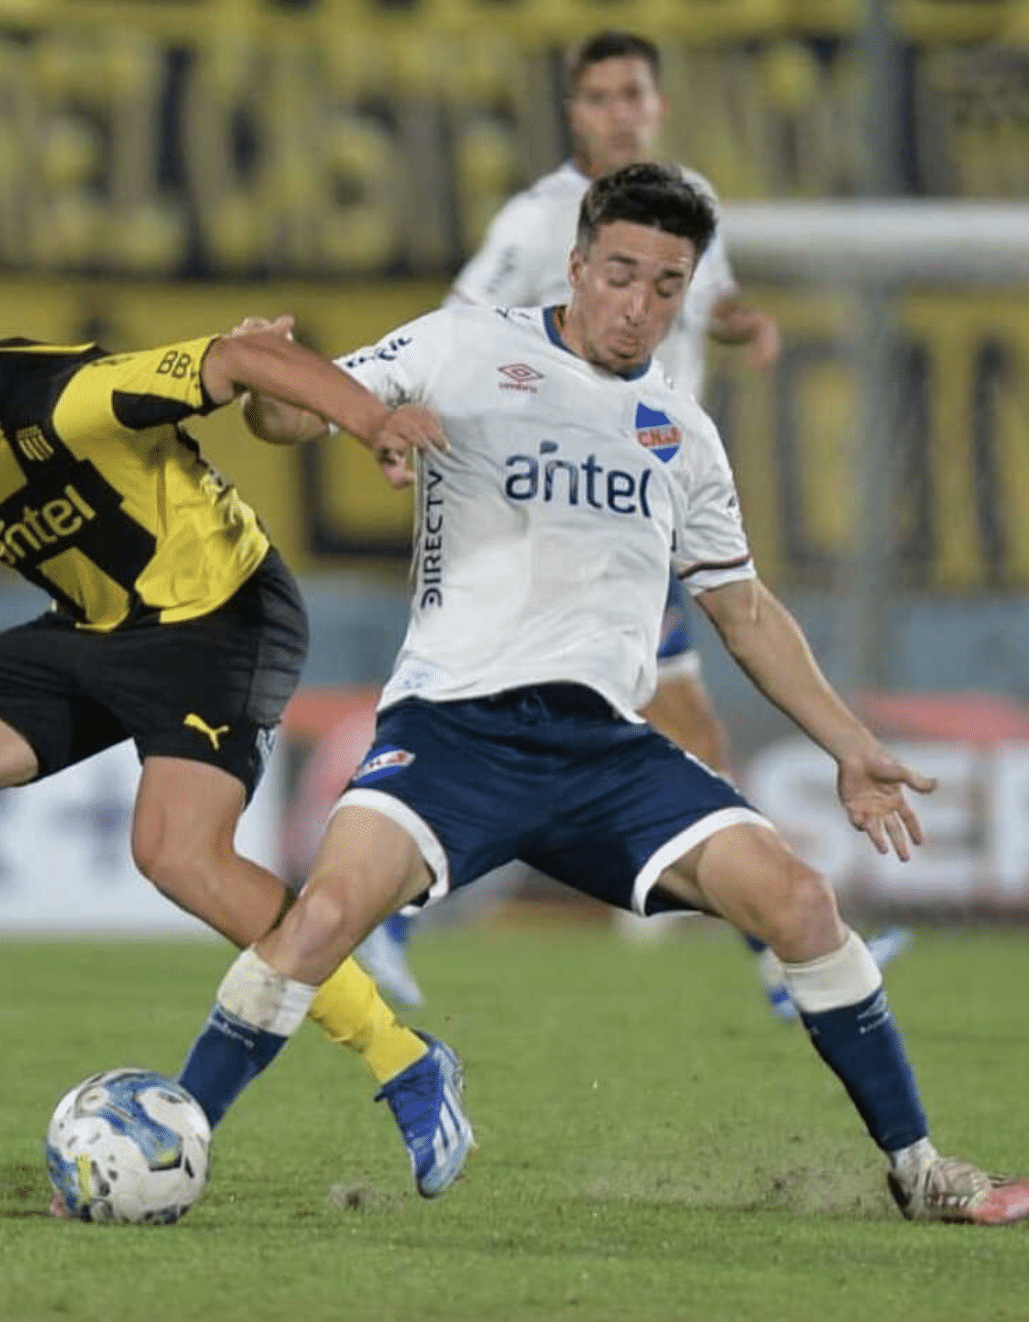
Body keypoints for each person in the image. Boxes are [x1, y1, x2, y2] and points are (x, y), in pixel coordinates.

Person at [175, 164, 1029, 1226]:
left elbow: (745, 611)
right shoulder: (464, 344)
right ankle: (172, 1137)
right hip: (454, 729)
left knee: (802, 901)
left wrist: (849, 743)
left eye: (666, 285)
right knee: (318, 919)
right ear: (578, 263)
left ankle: (919, 1168)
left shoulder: (682, 434)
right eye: (620, 274)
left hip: (604, 752)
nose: (638, 306)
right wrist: (271, 384)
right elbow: (292, 419)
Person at [0, 301, 468, 1196]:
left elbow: (239, 358)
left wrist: (372, 420)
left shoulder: (69, 400)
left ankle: (408, 1063)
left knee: (178, 855)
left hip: (221, 620)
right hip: (96, 628)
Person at [355, 29, 906, 1018]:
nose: (620, 112)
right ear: (575, 113)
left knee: (685, 725)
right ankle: (775, 956)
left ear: (655, 105)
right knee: (594, 721)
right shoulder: (533, 222)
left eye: (634, 96)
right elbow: (456, 330)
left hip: (644, 503)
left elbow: (713, 300)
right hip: (551, 511)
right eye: (601, 97)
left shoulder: (688, 203)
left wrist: (740, 323)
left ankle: (776, 950)